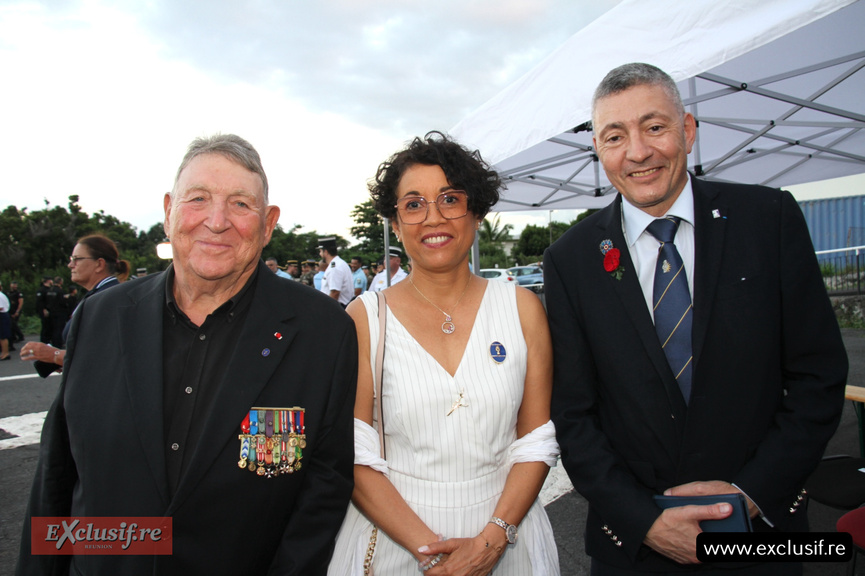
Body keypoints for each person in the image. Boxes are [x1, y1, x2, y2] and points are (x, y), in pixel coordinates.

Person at [544, 63, 848, 575]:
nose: (637, 152)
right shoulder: (570, 259)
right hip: (636, 548)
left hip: (762, 537)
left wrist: (749, 494)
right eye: (615, 136)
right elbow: (573, 415)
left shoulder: (768, 219)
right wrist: (646, 521)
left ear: (687, 130)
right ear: (598, 149)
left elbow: (817, 377)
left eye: (654, 127)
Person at [17, 134, 357, 575]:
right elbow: (57, 476)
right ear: (168, 211)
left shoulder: (322, 331)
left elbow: (324, 490)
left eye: (240, 204)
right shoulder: (99, 318)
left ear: (268, 223)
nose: (216, 221)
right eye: (197, 199)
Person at [328, 131, 560, 575]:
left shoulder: (522, 309)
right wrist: (432, 554)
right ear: (395, 223)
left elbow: (535, 441)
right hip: (396, 541)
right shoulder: (365, 318)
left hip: (508, 537)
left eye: (449, 199)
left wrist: (490, 542)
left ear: (476, 212)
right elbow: (353, 454)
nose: (433, 218)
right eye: (413, 204)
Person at [20, 234, 130, 376]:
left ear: (99, 264)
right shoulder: (100, 295)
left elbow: (108, 357)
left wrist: (54, 355)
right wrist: (63, 359)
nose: (70, 265)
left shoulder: (107, 298)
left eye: (76, 259)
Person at [319, 237, 353, 307]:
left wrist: (327, 309)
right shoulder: (339, 263)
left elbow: (335, 292)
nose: (320, 254)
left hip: (338, 307)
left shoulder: (335, 267)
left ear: (325, 251)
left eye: (320, 251)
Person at [34, 276, 54, 344]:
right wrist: (43, 309)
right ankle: (44, 341)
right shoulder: (42, 290)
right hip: (44, 310)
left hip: (51, 310)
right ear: (48, 281)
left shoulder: (51, 289)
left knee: (50, 326)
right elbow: (39, 302)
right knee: (45, 326)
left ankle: (49, 340)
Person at [7, 281, 24, 346]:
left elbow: (21, 302)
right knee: (12, 325)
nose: (15, 286)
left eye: (15, 285)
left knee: (13, 324)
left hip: (16, 310)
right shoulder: (8, 292)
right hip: (10, 310)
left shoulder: (18, 293)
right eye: (13, 285)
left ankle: (20, 336)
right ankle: (13, 337)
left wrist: (18, 311)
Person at [0, 281, 11, 361]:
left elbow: (1, 307)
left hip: (2, 315)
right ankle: (3, 353)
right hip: (3, 315)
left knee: (3, 336)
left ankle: (6, 353)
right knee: (1, 336)